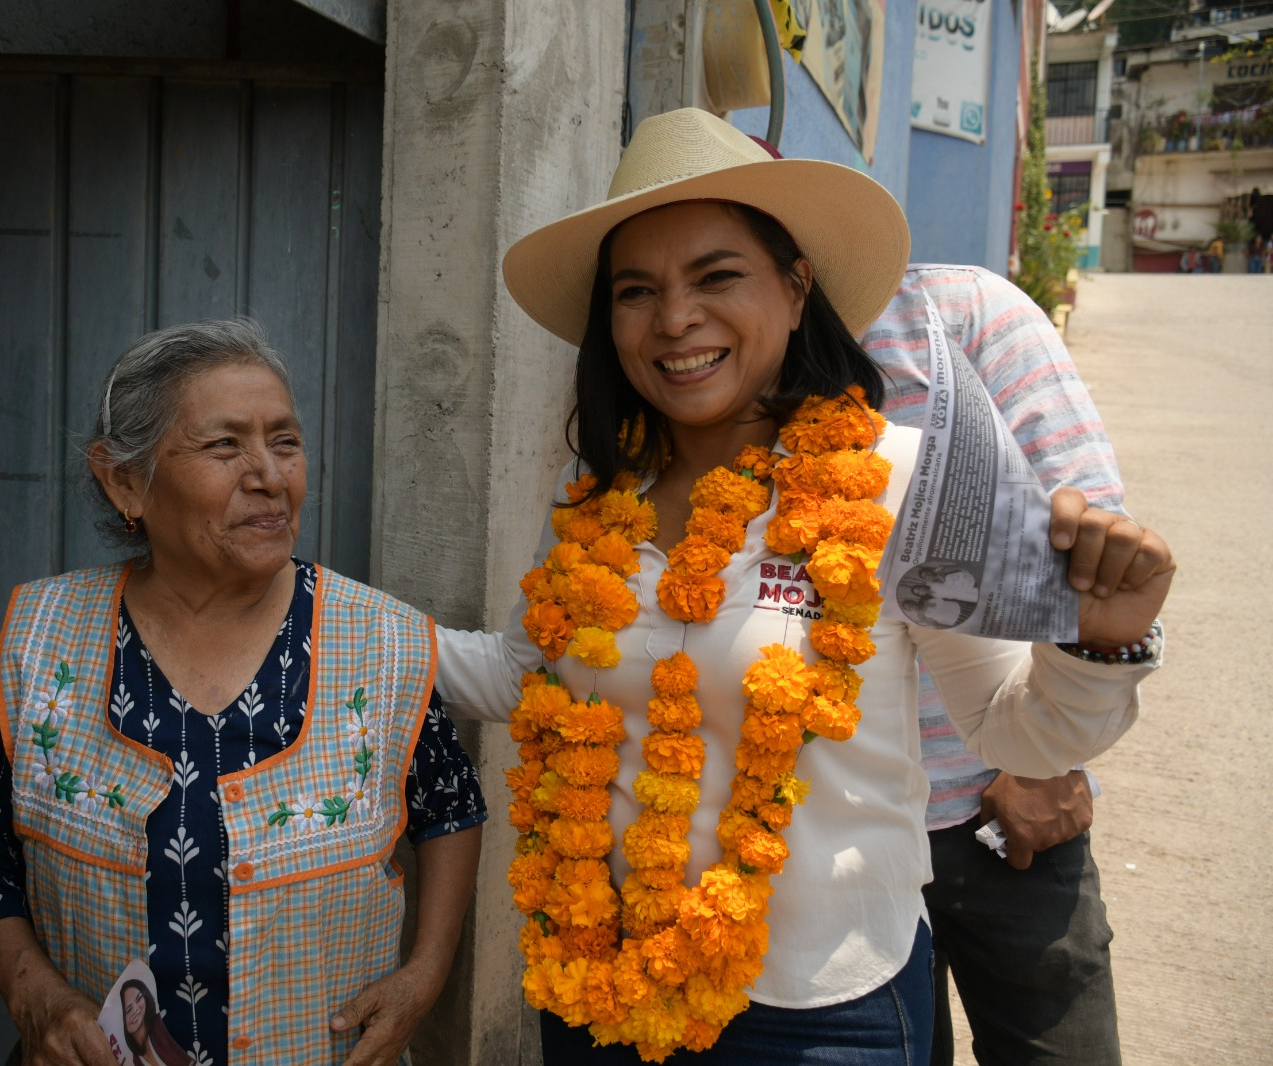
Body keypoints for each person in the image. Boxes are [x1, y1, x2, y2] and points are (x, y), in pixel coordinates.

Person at [433, 108, 1172, 1064]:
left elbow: (1012, 726)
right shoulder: (594, 504)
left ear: (795, 288)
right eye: (636, 290)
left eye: (717, 276)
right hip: (604, 994)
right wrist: (318, 616)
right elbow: (523, 672)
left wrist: (1099, 646)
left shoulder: (897, 480)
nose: (674, 320)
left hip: (828, 1012)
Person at [0, 320, 487, 1066]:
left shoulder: (382, 641)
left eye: (285, 441)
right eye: (225, 445)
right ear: (125, 481)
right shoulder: (40, 638)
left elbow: (450, 806)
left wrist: (425, 975)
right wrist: (35, 996)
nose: (269, 474)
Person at [864, 262, 1131, 1065]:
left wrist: (1045, 767)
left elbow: (1089, 531)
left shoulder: (953, 314)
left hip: (995, 809)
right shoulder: (706, 367)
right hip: (836, 837)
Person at [120, 981, 189, 1066]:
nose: (135, 1009)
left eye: (139, 999)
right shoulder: (135, 1060)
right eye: (129, 1009)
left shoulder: (160, 1025)